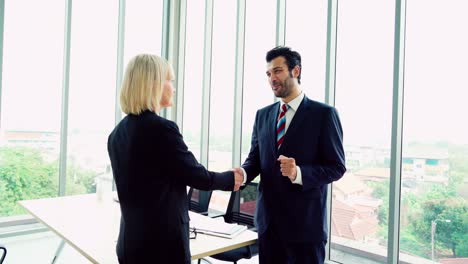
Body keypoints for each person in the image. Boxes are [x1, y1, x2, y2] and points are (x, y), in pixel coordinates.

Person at [107, 54, 243, 264]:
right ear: (153, 84)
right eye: (170, 81)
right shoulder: (162, 129)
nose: (174, 87)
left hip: (129, 244)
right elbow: (198, 177)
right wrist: (232, 179)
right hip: (162, 248)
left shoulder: (116, 135)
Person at [236, 46, 346, 264]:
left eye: (277, 71)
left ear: (296, 71)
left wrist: (299, 173)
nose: (272, 79)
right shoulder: (263, 115)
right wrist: (242, 173)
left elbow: (336, 167)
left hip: (305, 228)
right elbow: (255, 160)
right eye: (268, 74)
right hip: (269, 225)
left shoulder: (323, 114)